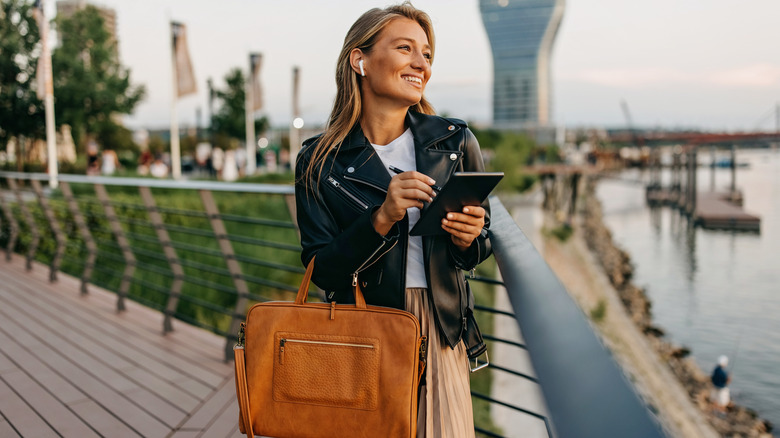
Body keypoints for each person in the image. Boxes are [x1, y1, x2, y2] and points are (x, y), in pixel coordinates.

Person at [294, 3, 490, 437]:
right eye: (406, 48)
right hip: (364, 329)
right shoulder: (317, 160)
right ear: (359, 60)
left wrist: (468, 238)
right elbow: (322, 268)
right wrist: (380, 217)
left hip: (439, 329)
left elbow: (482, 243)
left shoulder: (454, 142)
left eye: (426, 55)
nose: (421, 64)